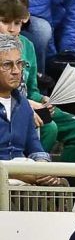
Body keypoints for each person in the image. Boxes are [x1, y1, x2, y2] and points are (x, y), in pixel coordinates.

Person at [0, 0, 75, 166]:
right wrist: (27, 106)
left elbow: (31, 88)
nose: (12, 29)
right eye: (5, 22)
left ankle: (64, 179)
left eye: (17, 23)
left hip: (28, 104)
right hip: (16, 107)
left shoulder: (27, 45)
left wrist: (42, 100)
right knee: (49, 127)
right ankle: (36, 173)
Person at [0, 34, 49, 174]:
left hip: (24, 176)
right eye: (7, 65)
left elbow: (35, 147)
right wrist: (24, 176)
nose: (16, 71)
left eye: (19, 64)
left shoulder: (23, 104)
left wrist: (43, 167)